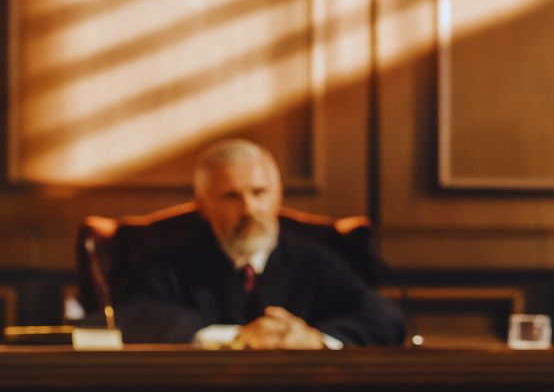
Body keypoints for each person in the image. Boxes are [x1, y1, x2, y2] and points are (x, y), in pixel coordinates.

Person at [114, 139, 405, 349]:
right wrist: (233, 338)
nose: (249, 208)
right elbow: (129, 316)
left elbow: (384, 319)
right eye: (231, 196)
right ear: (202, 205)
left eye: (259, 192)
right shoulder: (168, 258)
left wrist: (314, 340)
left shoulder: (314, 258)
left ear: (278, 196)